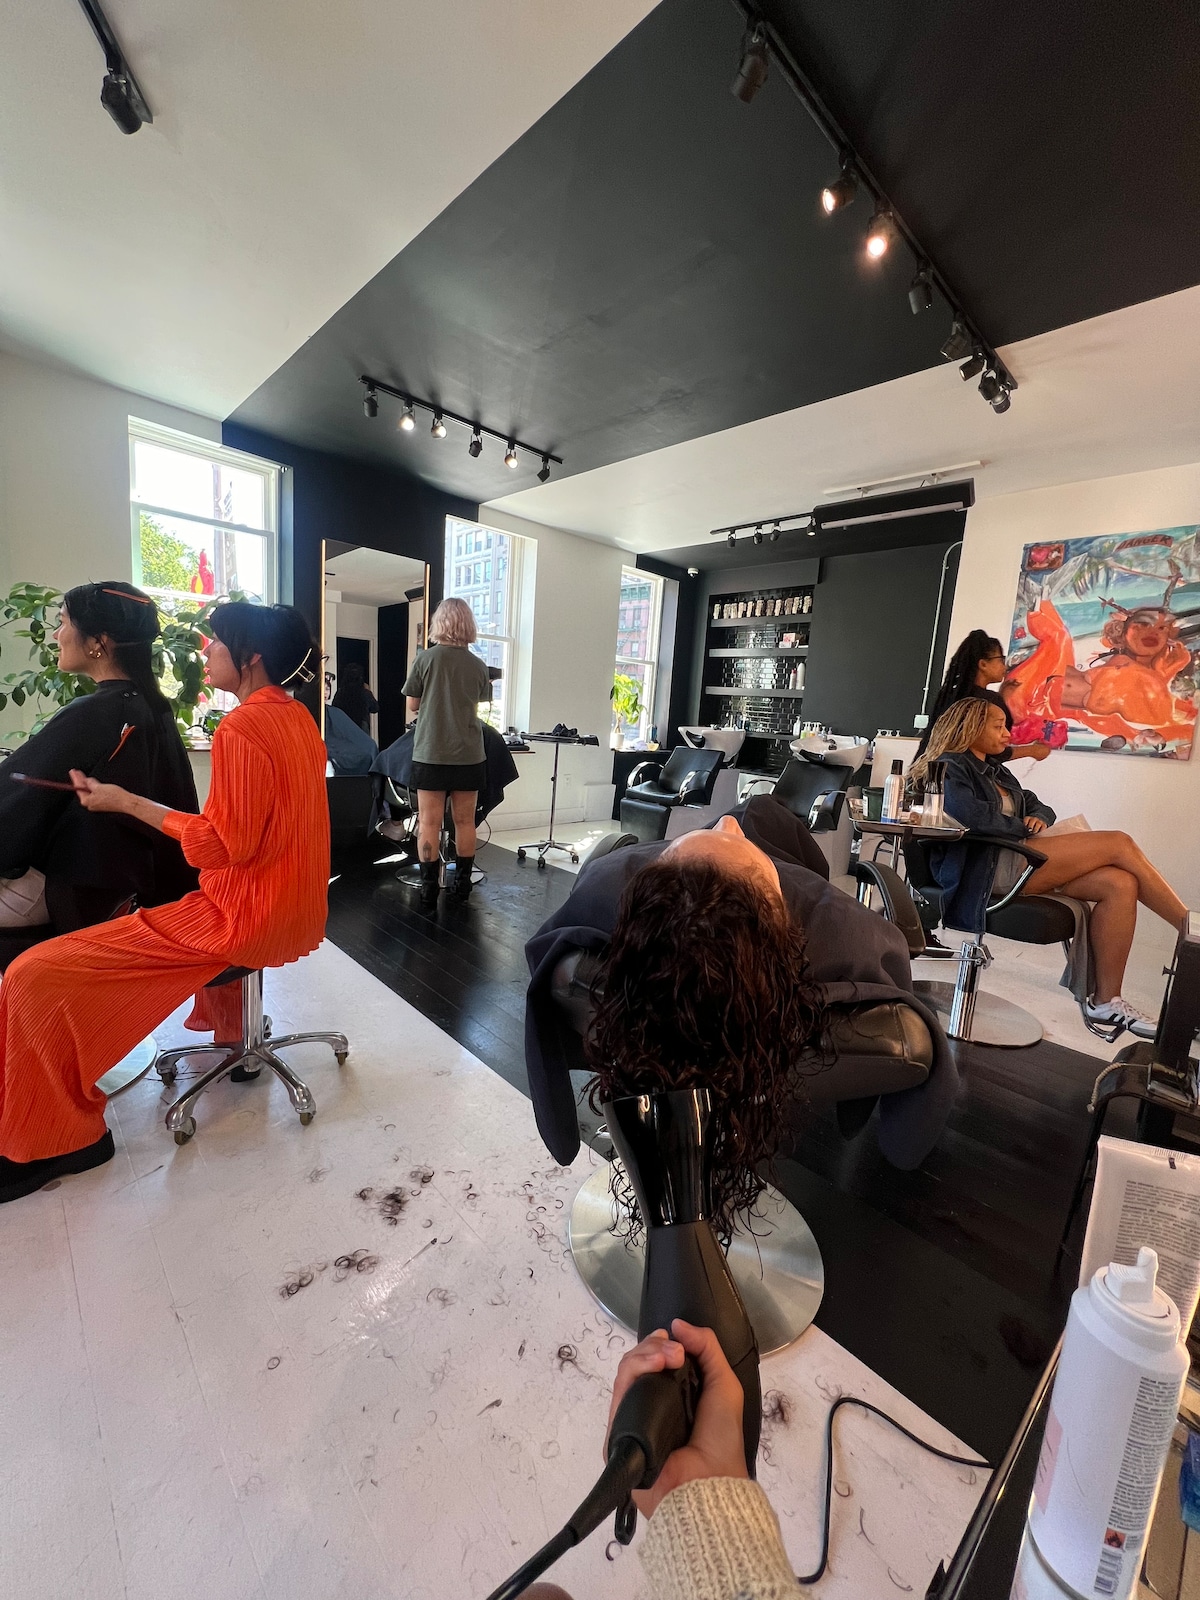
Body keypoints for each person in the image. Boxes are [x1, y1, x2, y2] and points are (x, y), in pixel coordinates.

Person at [0, 601, 330, 1204]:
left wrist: (125, 803)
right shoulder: (298, 718)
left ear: (251, 656)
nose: (206, 651)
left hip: (242, 919)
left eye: (217, 642)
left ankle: (60, 1140)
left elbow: (221, 845)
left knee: (29, 974)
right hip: (298, 910)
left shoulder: (241, 728)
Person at [526, 796, 960, 1173]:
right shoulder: (848, 931)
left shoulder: (605, 882)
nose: (728, 823)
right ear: (782, 919)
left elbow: (545, 956)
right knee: (763, 810)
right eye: (728, 840)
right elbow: (901, 1005)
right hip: (786, 851)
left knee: (754, 809)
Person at [911, 698, 1188, 1039]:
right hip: (984, 869)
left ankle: (1106, 1001)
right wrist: (1024, 829)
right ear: (970, 729)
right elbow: (973, 817)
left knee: (1120, 883)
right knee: (1118, 843)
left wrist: (1038, 818)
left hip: (1017, 860)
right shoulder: (950, 766)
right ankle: (1190, 931)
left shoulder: (996, 770)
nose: (1007, 733)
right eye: (998, 726)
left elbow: (1038, 804)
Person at [0, 581, 199, 929]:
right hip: (108, 894)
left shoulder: (96, 713)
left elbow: (16, 799)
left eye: (63, 622)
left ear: (97, 642)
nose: (56, 635)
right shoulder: (153, 707)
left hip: (55, 893)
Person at [401, 597, 491, 907]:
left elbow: (412, 704)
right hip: (469, 755)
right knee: (465, 822)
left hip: (431, 753)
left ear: (439, 623)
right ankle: (463, 885)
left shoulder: (425, 660)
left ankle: (428, 888)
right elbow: (476, 702)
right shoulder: (479, 666)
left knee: (429, 821)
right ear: (468, 625)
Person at [917, 629, 1050, 763]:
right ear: (983, 664)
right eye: (1001, 660)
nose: (1004, 667)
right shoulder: (987, 701)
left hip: (928, 768)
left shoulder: (954, 695)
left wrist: (1002, 697)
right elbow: (995, 752)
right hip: (957, 773)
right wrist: (1033, 751)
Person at [331, 660, 378, 734]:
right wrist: (368, 691)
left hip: (345, 726)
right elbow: (375, 708)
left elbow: (334, 708)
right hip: (361, 727)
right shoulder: (364, 692)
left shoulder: (341, 692)